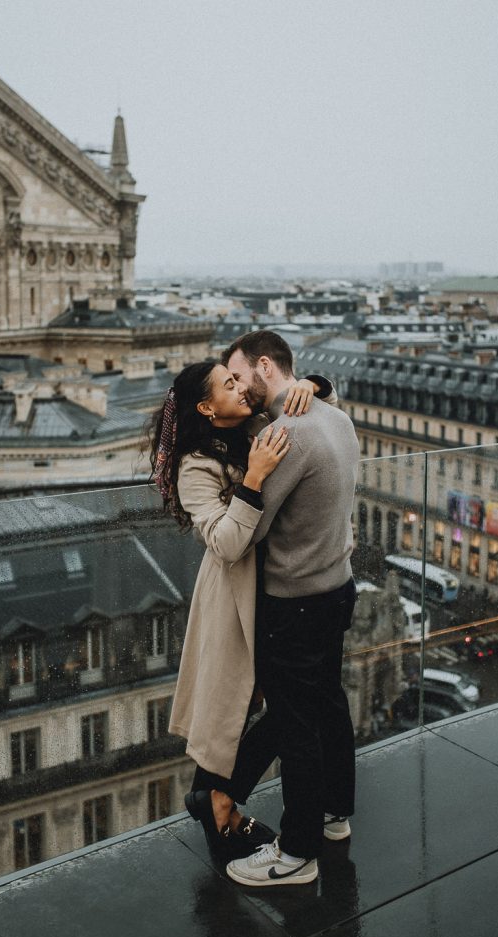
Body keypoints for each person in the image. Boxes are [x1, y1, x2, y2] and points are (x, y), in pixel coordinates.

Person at [149, 359, 330, 862]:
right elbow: (226, 544)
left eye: (238, 377)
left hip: (276, 588)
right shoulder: (195, 466)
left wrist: (315, 386)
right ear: (206, 407)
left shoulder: (256, 428)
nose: (241, 385)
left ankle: (216, 802)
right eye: (229, 384)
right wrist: (252, 479)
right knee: (226, 714)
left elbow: (324, 422)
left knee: (273, 703)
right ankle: (220, 825)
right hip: (234, 598)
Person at [223, 330, 360, 887]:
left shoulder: (284, 435)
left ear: (263, 366)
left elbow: (248, 526)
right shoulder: (336, 418)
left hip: (295, 603)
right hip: (338, 588)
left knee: (296, 723)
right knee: (329, 704)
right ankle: (333, 816)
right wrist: (317, 386)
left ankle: (296, 852)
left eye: (237, 375)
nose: (236, 387)